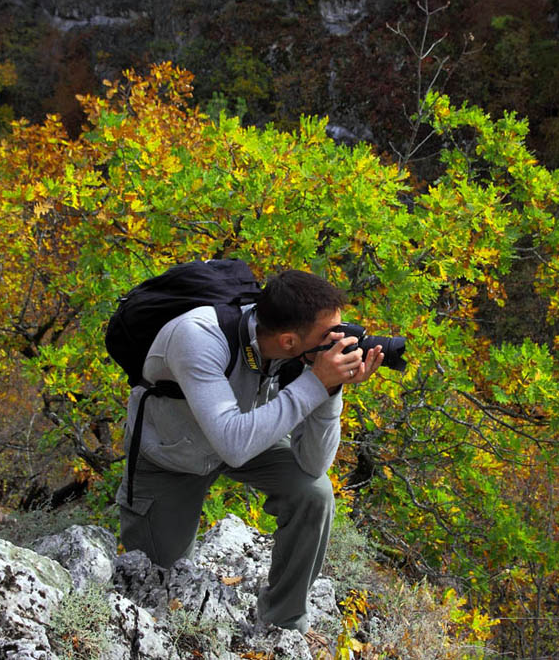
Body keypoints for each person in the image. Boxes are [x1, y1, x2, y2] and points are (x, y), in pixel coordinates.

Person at [116, 269, 383, 635]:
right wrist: (315, 382)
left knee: (313, 493)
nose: (337, 341)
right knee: (156, 588)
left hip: (245, 426)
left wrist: (330, 390)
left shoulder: (295, 350)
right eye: (327, 336)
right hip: (172, 453)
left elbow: (314, 464)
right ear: (289, 341)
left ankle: (282, 625)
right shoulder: (199, 337)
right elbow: (234, 443)